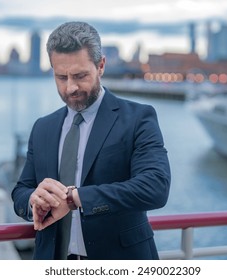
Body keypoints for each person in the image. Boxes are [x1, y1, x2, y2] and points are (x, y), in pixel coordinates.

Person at [11, 21, 171, 260]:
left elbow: (155, 187)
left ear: (101, 66)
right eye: (61, 77)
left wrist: (75, 199)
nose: (71, 87)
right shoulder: (43, 127)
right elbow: (21, 190)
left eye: (80, 75)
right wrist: (33, 201)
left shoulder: (138, 118)